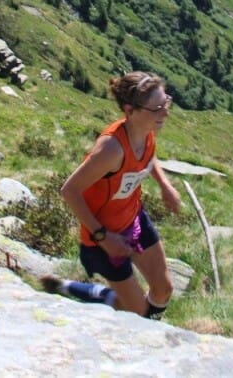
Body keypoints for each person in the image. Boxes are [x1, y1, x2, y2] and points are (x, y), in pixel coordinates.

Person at [42, 71, 182, 320]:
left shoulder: (146, 130)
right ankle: (70, 288)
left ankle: (148, 324)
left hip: (134, 219)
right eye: (157, 108)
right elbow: (69, 191)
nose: (166, 113)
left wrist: (164, 185)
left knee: (163, 290)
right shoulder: (111, 149)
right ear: (130, 110)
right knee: (136, 311)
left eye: (166, 103)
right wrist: (104, 237)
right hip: (102, 238)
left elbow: (148, 156)